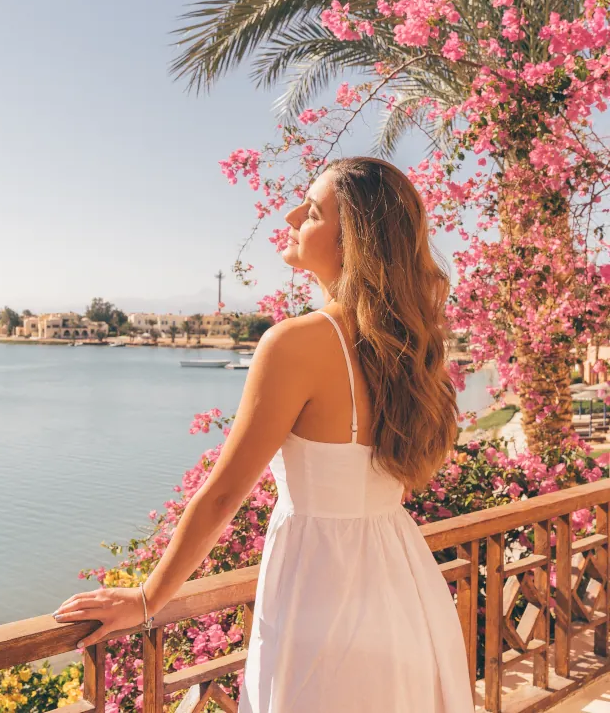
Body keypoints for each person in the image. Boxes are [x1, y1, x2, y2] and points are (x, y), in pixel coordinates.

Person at [53, 157, 474, 712]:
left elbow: (225, 494)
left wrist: (147, 597)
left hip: (322, 589)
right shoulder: (401, 349)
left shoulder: (295, 343)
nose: (292, 213)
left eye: (314, 209)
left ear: (356, 240)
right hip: (400, 576)